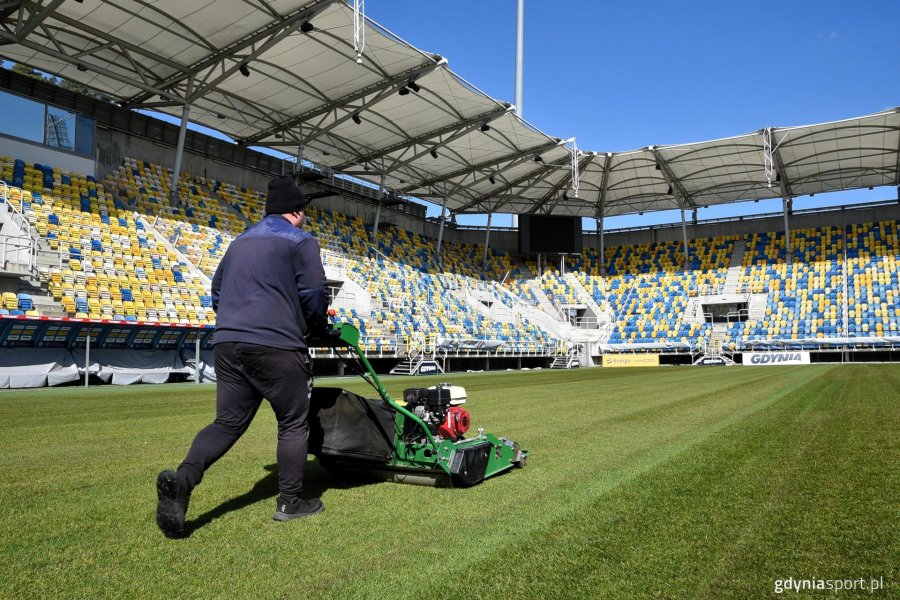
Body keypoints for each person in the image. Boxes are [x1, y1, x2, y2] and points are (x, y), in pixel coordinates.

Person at [156, 174, 328, 538]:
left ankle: (184, 480)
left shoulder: (238, 242)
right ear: (296, 212)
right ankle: (290, 503)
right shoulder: (301, 241)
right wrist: (314, 328)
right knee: (294, 422)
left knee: (227, 423)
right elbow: (314, 293)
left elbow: (216, 292)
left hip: (228, 343)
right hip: (276, 344)